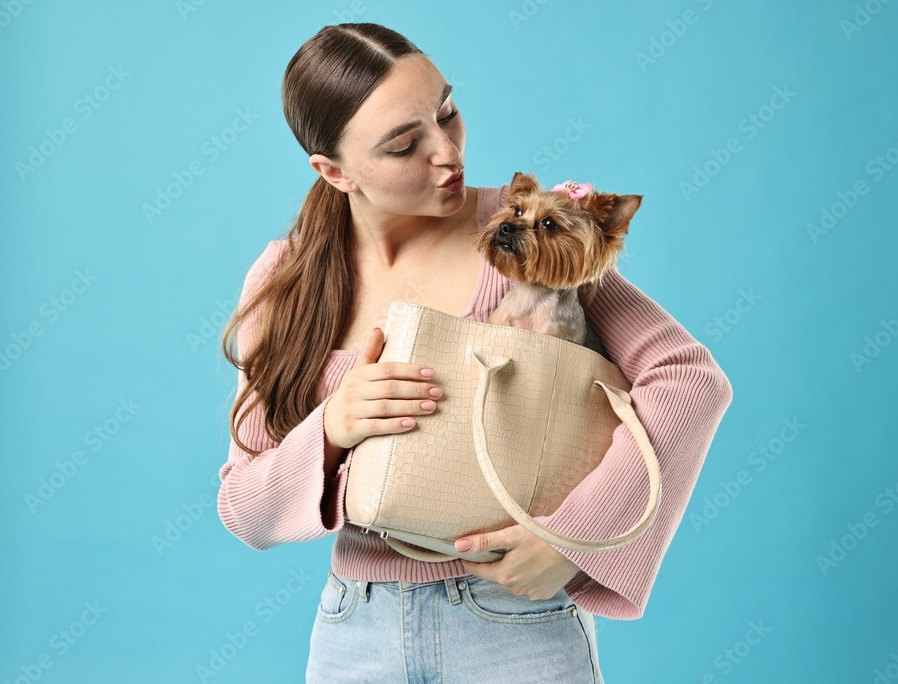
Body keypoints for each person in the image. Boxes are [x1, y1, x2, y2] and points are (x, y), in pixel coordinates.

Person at [217, 22, 732, 683]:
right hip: (354, 632)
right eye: (405, 145)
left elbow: (687, 380)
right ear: (333, 171)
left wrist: (572, 538)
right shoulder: (287, 280)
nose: (447, 153)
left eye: (447, 112)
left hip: (513, 623)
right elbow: (244, 508)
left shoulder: (527, 231)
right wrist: (333, 426)